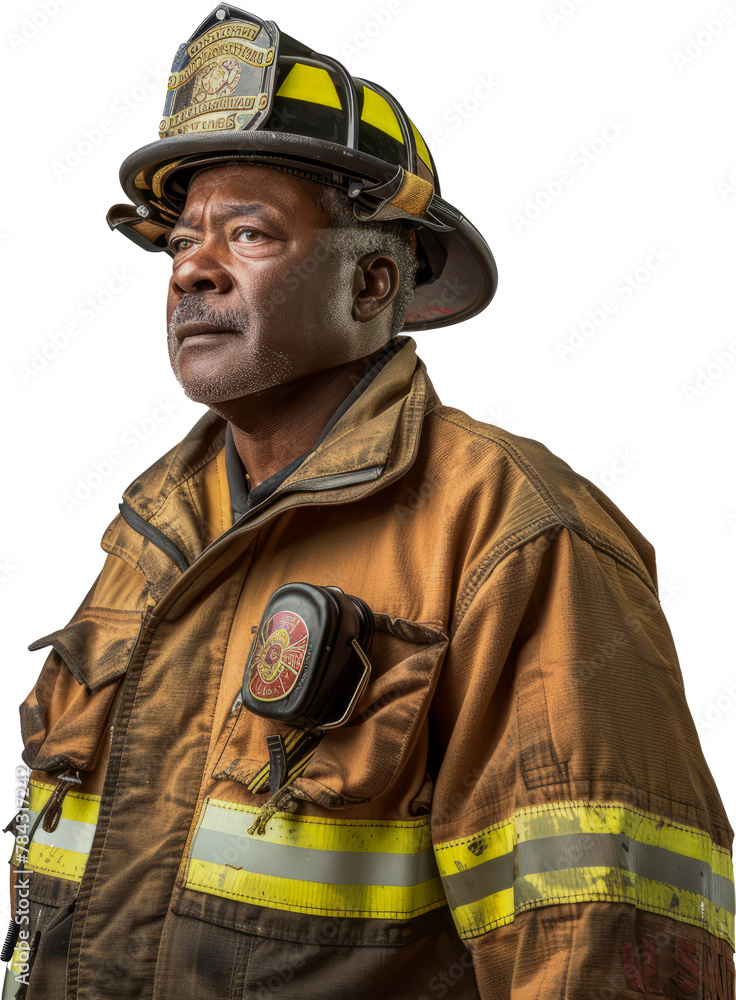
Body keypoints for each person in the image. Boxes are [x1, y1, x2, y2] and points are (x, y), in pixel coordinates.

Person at [3, 5, 733, 999]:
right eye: (180, 239)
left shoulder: (511, 534)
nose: (191, 269)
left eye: (249, 231)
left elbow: (602, 949)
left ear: (372, 279)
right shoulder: (154, 540)